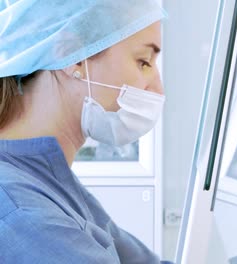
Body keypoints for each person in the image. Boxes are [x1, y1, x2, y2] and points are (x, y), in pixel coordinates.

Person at [0, 1, 169, 263]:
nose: (157, 91)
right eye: (144, 62)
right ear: (74, 55)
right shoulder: (20, 211)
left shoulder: (47, 179)